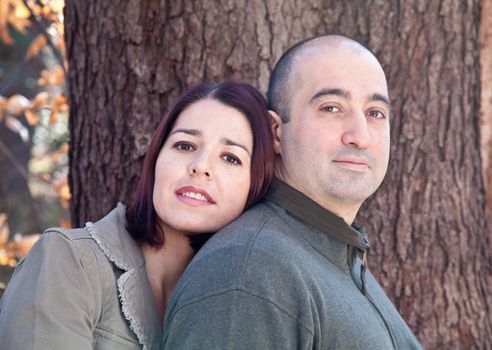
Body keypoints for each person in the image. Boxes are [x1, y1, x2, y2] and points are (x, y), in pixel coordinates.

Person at [162, 35, 422, 349]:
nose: (360, 136)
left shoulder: (338, 254)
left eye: (375, 112)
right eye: (331, 108)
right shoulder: (250, 272)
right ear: (276, 132)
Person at [0, 81, 274, 349]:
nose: (200, 166)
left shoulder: (236, 304)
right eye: (185, 145)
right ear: (156, 158)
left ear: (256, 184)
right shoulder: (69, 261)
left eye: (230, 158)